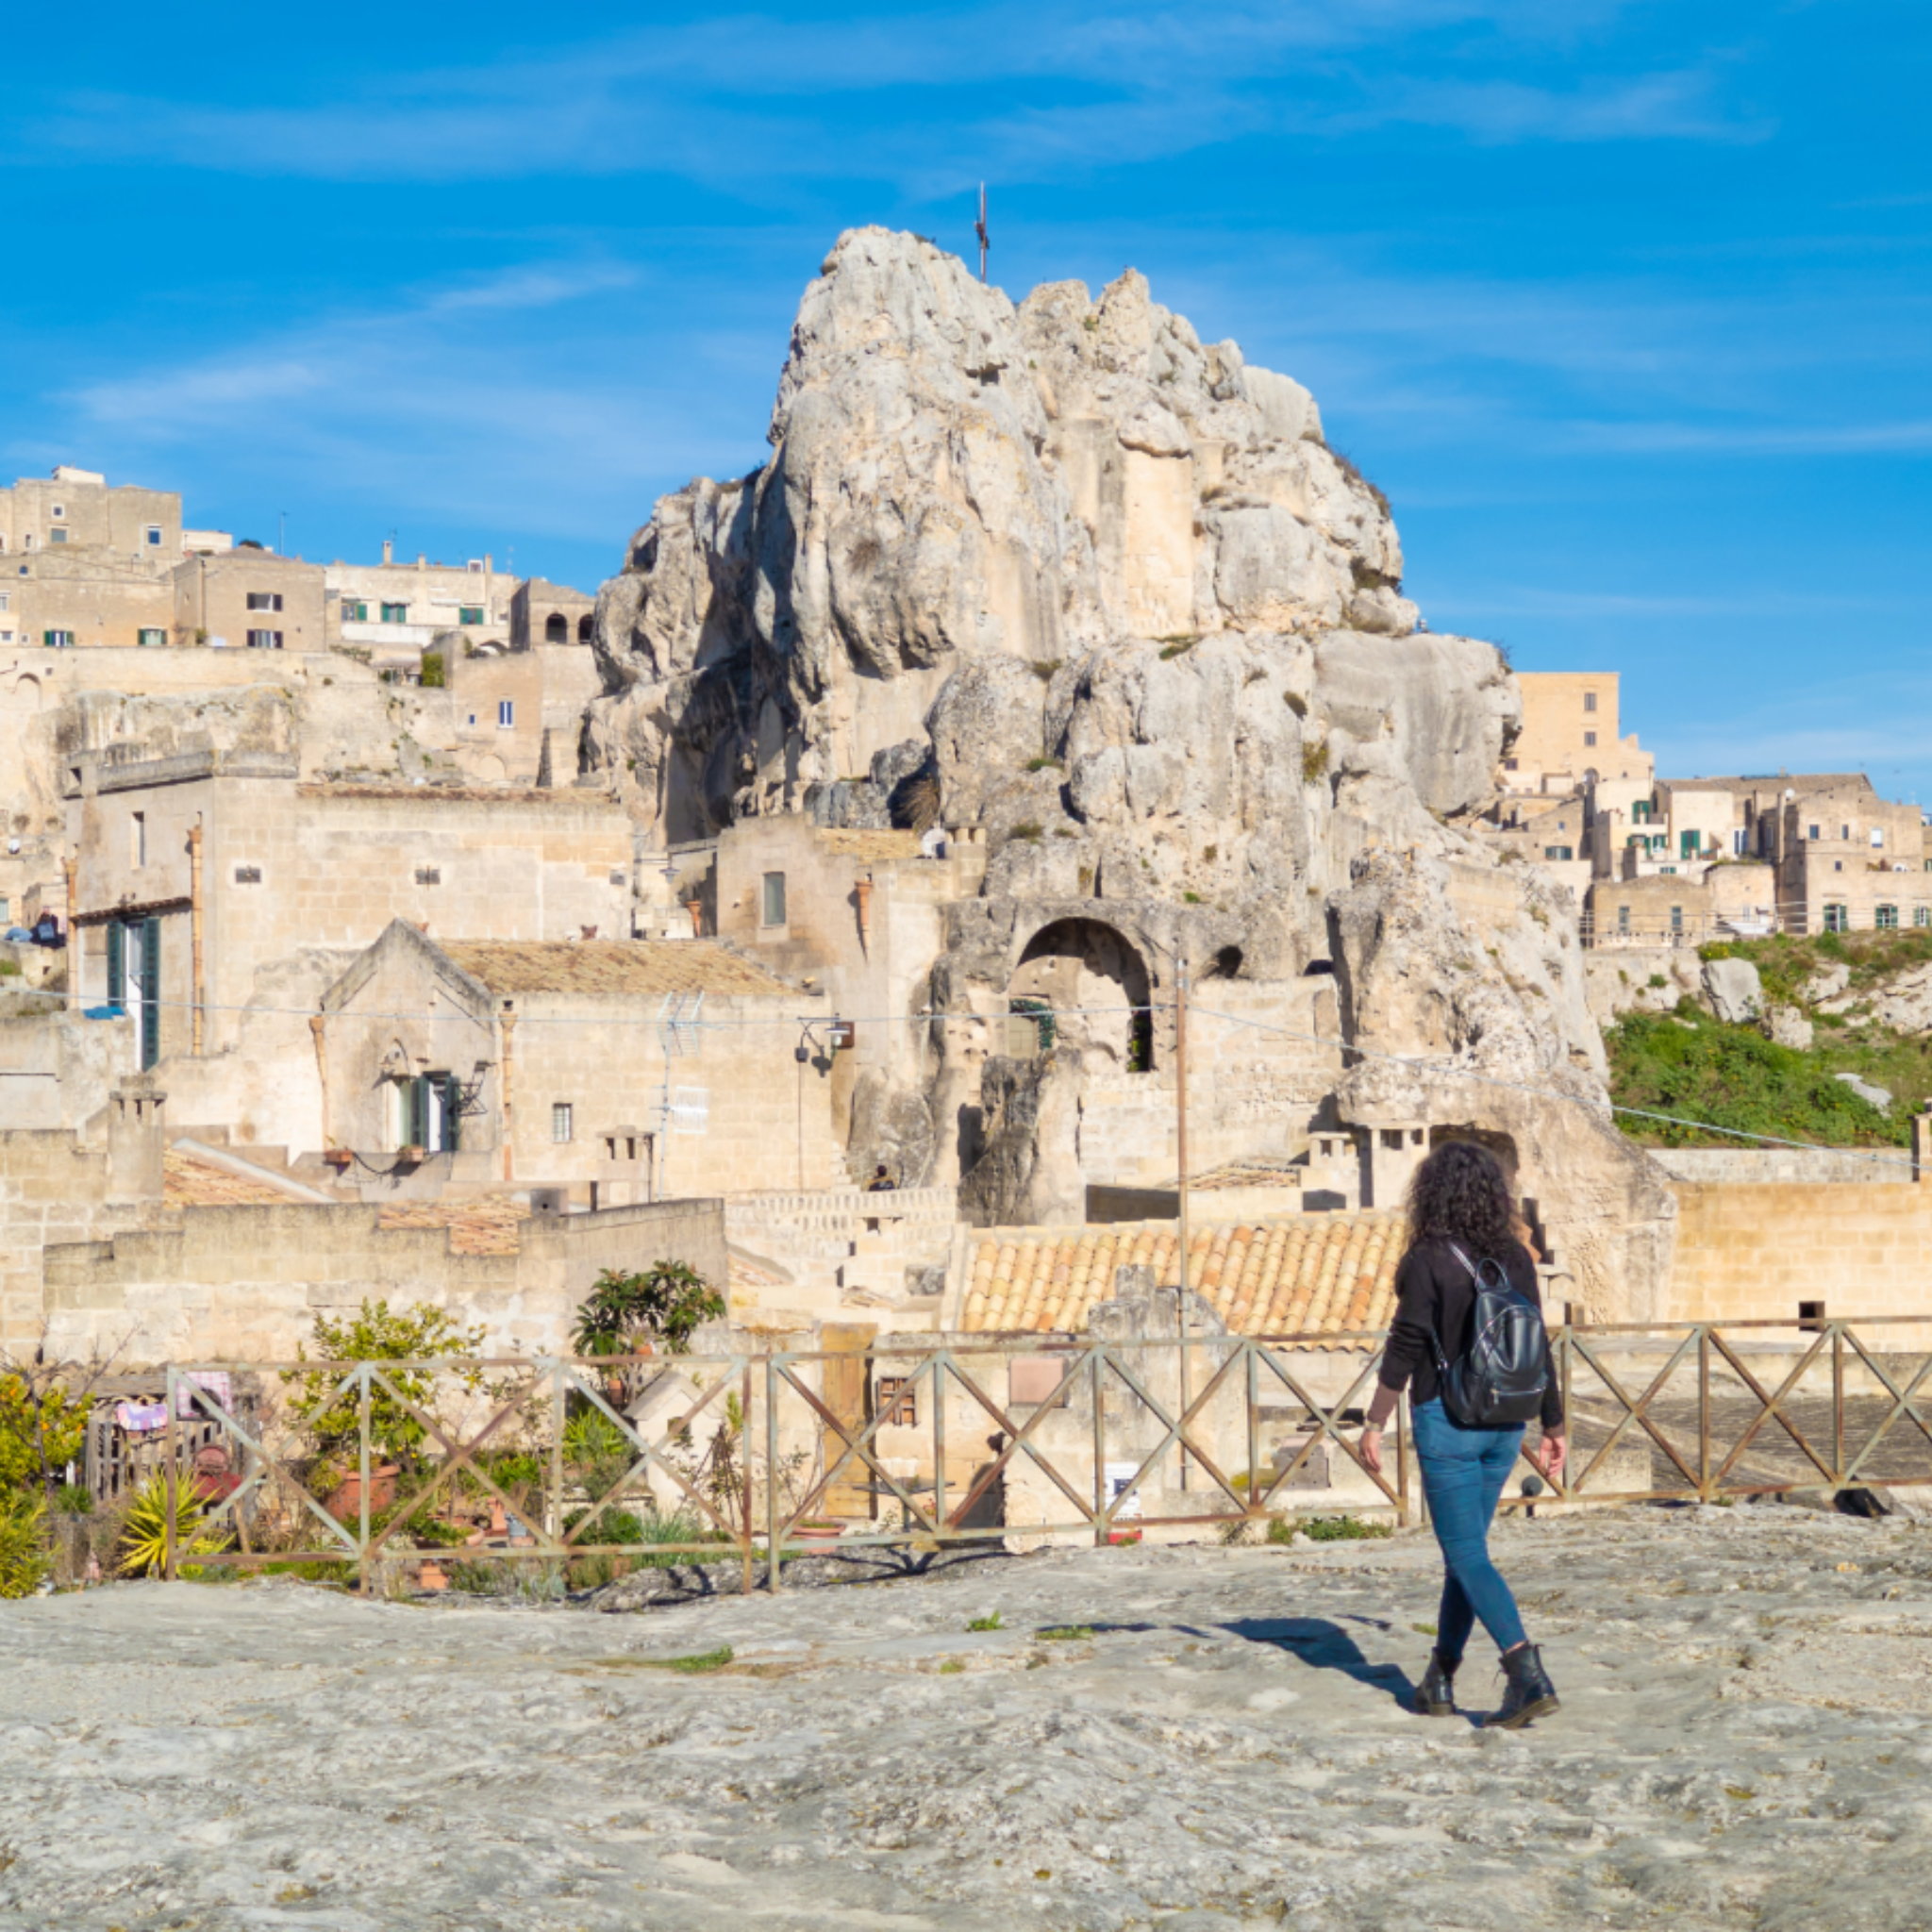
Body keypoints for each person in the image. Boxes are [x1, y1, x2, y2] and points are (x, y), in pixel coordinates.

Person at [1357, 1141, 1566, 1728]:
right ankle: (1439, 1679)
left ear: (1432, 1193)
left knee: (1467, 1552)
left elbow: (1406, 1344)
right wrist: (1554, 1424)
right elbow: (1538, 1344)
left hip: (1447, 1421)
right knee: (1462, 1554)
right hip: (1505, 1421)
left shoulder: (1427, 1258)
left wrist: (1375, 1420)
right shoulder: (1517, 1256)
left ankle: (1526, 1673)